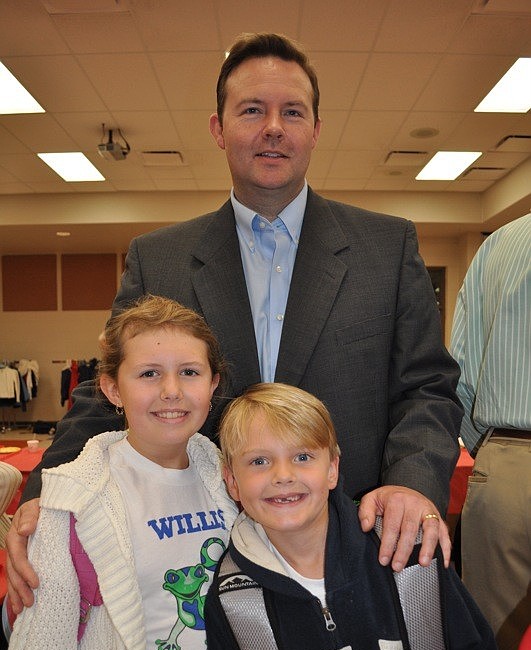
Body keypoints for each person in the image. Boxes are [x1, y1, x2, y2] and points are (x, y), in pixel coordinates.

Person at [6, 31, 463, 611]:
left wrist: (413, 482)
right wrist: (47, 492)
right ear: (219, 129)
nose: (273, 126)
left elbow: (427, 387)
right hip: (197, 555)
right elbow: (110, 393)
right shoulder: (159, 259)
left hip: (355, 543)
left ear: (315, 130)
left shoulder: (385, 247)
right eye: (252, 110)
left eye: (291, 111)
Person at [205, 383, 503, 650]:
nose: (283, 475)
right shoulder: (235, 599)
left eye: (303, 456)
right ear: (232, 481)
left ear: (333, 468)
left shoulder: (405, 552)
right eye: (259, 461)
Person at [0, 295, 238, 650]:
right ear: (111, 387)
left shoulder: (233, 486)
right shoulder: (73, 507)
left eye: (190, 373)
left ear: (214, 384)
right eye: (149, 374)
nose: (172, 392)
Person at [450, 212, 530, 650]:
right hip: (505, 456)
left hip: (508, 465)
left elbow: (459, 373)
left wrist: (493, 454)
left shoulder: (504, 242)